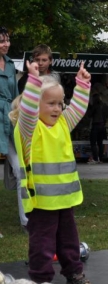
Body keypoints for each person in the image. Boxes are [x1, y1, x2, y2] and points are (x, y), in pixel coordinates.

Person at [13, 60, 97, 284]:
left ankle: (74, 276)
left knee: (69, 243)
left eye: (60, 103)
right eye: (50, 103)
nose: (58, 109)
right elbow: (28, 111)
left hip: (64, 200)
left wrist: (82, 84)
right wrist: (33, 83)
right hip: (40, 203)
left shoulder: (62, 124)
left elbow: (77, 109)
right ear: (34, 104)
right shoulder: (28, 129)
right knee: (42, 246)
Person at [0, 26, 27, 229]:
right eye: (2, 41)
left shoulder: (10, 65)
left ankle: (26, 220)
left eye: (7, 40)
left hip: (9, 121)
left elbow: (17, 96)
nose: (6, 44)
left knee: (20, 170)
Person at [86, 92, 108, 164]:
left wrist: (89, 107)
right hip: (102, 126)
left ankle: (95, 158)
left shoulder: (95, 106)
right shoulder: (104, 105)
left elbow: (89, 115)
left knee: (93, 142)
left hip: (95, 125)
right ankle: (101, 158)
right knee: (100, 143)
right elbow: (106, 116)